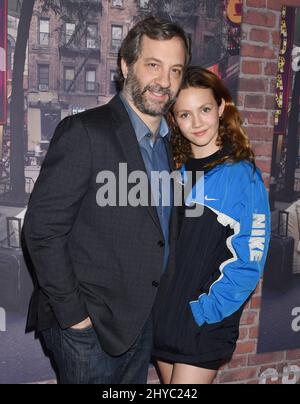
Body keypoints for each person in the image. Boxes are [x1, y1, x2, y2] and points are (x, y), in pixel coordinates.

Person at [23, 16, 190, 384]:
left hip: (141, 321)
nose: (164, 81)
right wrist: (75, 320)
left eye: (175, 70)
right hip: (90, 327)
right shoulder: (85, 131)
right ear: (126, 65)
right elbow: (42, 231)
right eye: (153, 65)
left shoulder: (166, 144)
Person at [152, 66, 271, 384]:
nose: (197, 122)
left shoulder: (242, 176)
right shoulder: (174, 175)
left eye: (204, 109)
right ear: (174, 121)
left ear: (221, 107)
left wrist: (204, 312)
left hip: (203, 323)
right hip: (164, 319)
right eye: (185, 115)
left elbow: (250, 259)